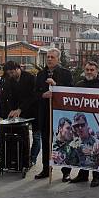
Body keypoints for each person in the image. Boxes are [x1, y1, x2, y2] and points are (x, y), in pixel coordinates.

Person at [68, 61, 99, 187]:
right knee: (83, 149)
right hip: (82, 122)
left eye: (92, 70)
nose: (89, 72)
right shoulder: (79, 85)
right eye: (87, 69)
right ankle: (83, 175)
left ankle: (96, 177)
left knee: (96, 151)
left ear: (97, 71)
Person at [35, 48, 73, 180]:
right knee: (46, 142)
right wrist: (42, 95)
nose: (49, 59)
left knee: (64, 142)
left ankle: (66, 171)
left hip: (60, 114)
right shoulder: (41, 74)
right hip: (45, 113)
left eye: (52, 57)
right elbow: (34, 93)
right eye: (48, 57)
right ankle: (46, 168)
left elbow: (69, 92)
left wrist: (56, 87)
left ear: (58, 59)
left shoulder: (65, 73)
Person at [0, 61, 41, 166]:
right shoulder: (10, 80)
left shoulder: (30, 78)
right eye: (9, 73)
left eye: (13, 72)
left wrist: (20, 109)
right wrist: (12, 109)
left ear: (18, 68)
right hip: (20, 111)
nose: (11, 75)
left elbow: (33, 96)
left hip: (34, 110)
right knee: (20, 134)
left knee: (36, 136)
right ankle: (21, 158)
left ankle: (33, 158)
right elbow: (11, 96)